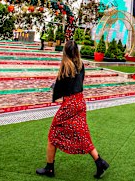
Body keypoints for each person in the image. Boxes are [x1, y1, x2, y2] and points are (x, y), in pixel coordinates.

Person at [36, 40, 109, 179]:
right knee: (83, 135)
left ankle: (49, 169)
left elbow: (60, 87)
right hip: (80, 102)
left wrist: (54, 88)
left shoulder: (65, 67)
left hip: (70, 104)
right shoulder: (81, 65)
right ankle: (100, 162)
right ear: (76, 51)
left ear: (65, 52)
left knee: (53, 135)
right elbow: (77, 83)